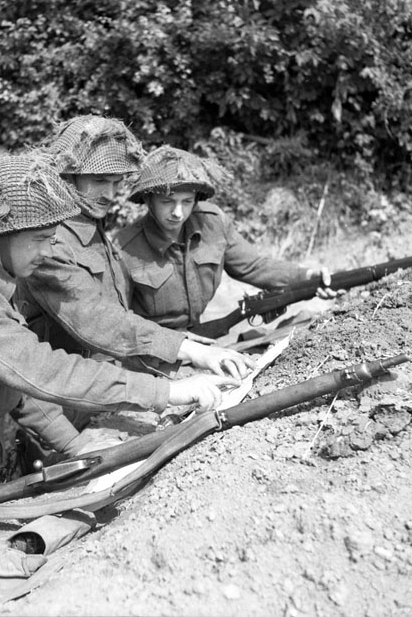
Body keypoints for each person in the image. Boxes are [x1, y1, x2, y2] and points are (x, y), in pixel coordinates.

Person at [0, 152, 232, 529]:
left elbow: (13, 386)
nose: (47, 252)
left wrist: (76, 447)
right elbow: (43, 371)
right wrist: (167, 392)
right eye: (40, 239)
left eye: (52, 239)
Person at [14, 116, 255, 435]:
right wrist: (189, 352)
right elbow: (99, 322)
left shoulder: (91, 228)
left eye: (116, 183)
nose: (110, 193)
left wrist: (183, 358)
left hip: (98, 391)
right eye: (100, 181)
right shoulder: (52, 241)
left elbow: (120, 318)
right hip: (56, 410)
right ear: (67, 176)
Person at [113, 145, 340, 331]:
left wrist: (307, 276)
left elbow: (254, 266)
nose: (178, 213)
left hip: (203, 338)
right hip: (150, 354)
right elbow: (115, 320)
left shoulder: (212, 223)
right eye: (167, 202)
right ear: (149, 201)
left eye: (187, 201)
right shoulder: (124, 248)